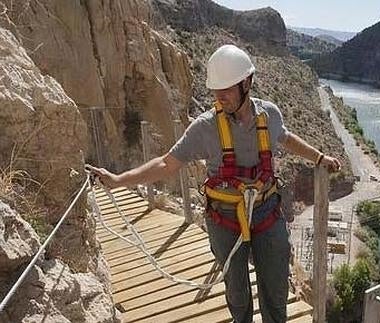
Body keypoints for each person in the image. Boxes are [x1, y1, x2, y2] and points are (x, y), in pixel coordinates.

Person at [88, 44, 340, 323]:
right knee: (237, 290)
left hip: (266, 212)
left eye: (227, 90)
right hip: (225, 217)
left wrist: (319, 157)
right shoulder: (204, 128)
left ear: (247, 83)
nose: (220, 97)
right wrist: (119, 180)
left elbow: (286, 138)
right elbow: (166, 163)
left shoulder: (268, 115)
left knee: (276, 287)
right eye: (216, 91)